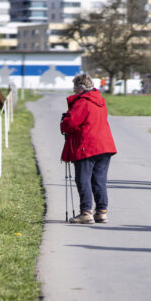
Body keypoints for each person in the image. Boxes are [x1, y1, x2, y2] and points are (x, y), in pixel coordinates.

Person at [60, 72, 117, 224]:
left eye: (74, 87)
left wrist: (64, 120)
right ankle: (101, 211)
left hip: (88, 145)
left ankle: (86, 212)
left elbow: (70, 123)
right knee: (99, 180)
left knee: (83, 179)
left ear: (80, 87)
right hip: (105, 145)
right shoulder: (100, 100)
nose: (73, 91)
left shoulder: (83, 101)